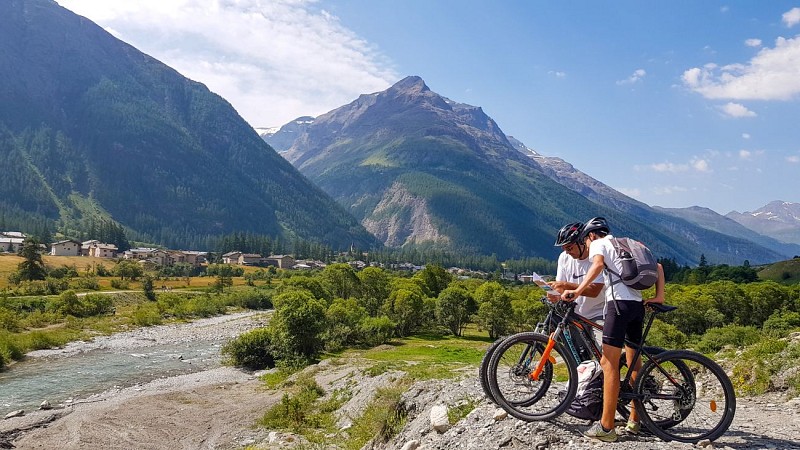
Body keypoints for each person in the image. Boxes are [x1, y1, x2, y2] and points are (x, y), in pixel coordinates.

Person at [561, 217, 665, 443]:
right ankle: (635, 421)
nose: (586, 247)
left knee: (608, 364)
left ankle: (606, 427)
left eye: (585, 242)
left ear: (590, 236)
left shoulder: (599, 243)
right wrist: (659, 296)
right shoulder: (626, 244)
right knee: (634, 362)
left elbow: (597, 265)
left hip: (617, 306)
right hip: (636, 306)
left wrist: (576, 291)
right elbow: (657, 266)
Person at [548, 222, 606, 347]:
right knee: (578, 359)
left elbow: (594, 291)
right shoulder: (564, 258)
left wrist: (565, 285)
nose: (567, 252)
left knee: (605, 356)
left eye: (569, 248)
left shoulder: (597, 258)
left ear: (582, 242)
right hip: (575, 315)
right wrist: (556, 295)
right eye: (564, 248)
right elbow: (561, 288)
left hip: (599, 314)